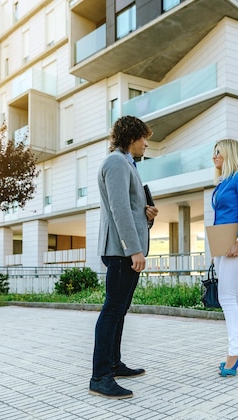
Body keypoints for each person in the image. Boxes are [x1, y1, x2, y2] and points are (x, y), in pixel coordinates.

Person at [89, 116, 158, 399]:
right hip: (121, 251)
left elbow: (130, 208)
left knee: (119, 309)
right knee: (112, 310)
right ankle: (100, 376)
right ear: (132, 136)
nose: (146, 144)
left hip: (125, 248)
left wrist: (147, 215)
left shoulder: (126, 163)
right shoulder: (116, 162)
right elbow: (118, 210)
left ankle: (114, 364)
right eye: (144, 138)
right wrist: (134, 250)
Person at [211, 139, 238, 377]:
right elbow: (220, 219)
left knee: (226, 297)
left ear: (229, 153)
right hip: (222, 246)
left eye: (218, 152)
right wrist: (214, 251)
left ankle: (234, 352)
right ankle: (237, 349)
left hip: (236, 245)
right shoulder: (222, 182)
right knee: (233, 296)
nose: (214, 157)